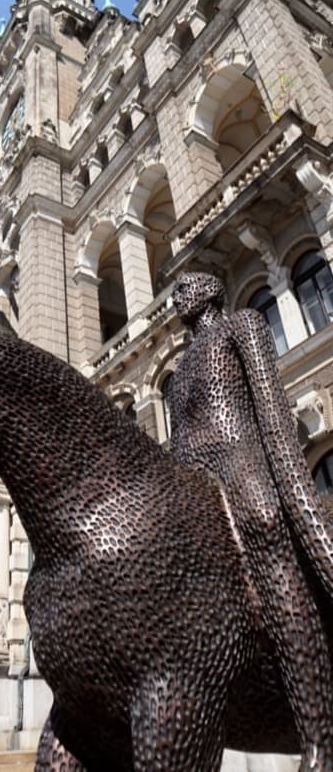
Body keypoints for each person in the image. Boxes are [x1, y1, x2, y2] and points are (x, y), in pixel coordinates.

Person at [170, 270, 333, 772]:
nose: (177, 292)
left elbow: (270, 406)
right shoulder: (174, 373)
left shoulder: (241, 325)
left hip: (241, 460)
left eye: (187, 284)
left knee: (267, 537)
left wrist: (292, 491)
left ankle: (319, 735)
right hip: (193, 476)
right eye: (174, 288)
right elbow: (178, 440)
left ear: (211, 291)